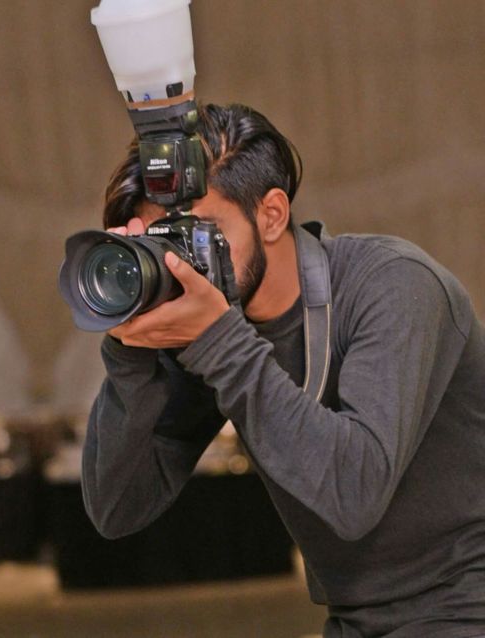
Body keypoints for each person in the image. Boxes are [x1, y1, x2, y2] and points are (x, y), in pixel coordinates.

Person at [81, 102, 485, 637]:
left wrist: (218, 340)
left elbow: (353, 493)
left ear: (272, 214)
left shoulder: (394, 285)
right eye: (164, 241)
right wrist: (130, 357)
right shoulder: (215, 325)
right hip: (355, 620)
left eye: (200, 233)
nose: (184, 262)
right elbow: (118, 509)